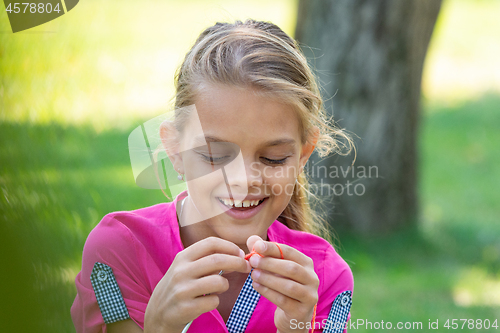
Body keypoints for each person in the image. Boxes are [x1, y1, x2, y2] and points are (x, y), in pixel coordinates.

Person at [71, 19, 355, 333]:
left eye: (273, 158)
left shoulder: (324, 277)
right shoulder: (118, 250)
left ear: (302, 154)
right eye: (215, 155)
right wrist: (159, 327)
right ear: (176, 150)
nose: (244, 179)